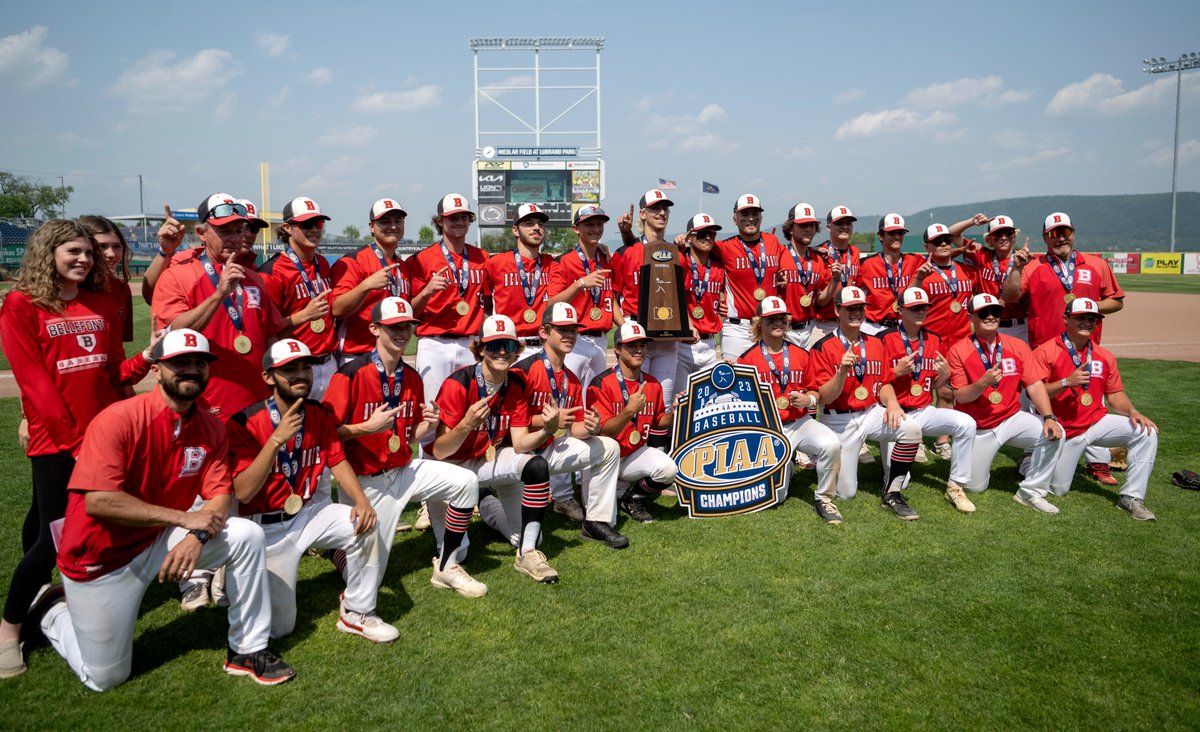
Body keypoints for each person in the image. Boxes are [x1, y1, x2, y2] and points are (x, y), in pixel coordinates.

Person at [39, 329, 294, 690]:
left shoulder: (209, 426)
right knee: (104, 678)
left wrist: (197, 535)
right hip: (100, 557)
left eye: (200, 363)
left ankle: (247, 650)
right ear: (156, 370)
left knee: (246, 535)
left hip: (158, 540)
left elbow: (221, 495)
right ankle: (52, 611)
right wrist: (184, 519)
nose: (191, 369)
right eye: (180, 362)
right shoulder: (118, 418)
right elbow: (99, 501)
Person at [0, 220, 154, 680]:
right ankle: (9, 632)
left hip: (102, 437)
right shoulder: (21, 305)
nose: (85, 259)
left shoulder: (101, 301)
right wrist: (75, 444)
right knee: (54, 541)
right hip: (58, 443)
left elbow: (112, 372)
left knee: (83, 528)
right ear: (49, 251)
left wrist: (149, 357)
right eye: (74, 251)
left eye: (88, 252)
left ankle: (66, 597)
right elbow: (35, 385)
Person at [227, 339, 394, 642]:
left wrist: (361, 501)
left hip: (306, 513)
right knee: (280, 629)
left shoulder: (317, 412)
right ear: (268, 377)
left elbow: (338, 459)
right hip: (265, 529)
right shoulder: (244, 422)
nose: (301, 374)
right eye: (289, 369)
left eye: (305, 367)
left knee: (366, 523)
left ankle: (357, 612)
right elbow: (243, 493)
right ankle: (236, 577)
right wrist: (276, 441)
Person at [322, 297, 484, 596]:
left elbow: (409, 436)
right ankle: (339, 551)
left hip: (403, 470)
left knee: (465, 482)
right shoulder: (350, 374)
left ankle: (446, 565)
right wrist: (365, 428)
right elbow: (323, 435)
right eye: (395, 326)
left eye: (408, 326)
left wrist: (429, 426)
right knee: (369, 580)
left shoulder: (410, 377)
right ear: (374, 329)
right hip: (365, 482)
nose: (403, 332)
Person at [432, 315, 562, 584]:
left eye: (509, 345)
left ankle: (526, 552)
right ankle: (481, 502)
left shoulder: (516, 382)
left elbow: (519, 443)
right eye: (494, 345)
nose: (502, 351)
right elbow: (439, 451)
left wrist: (547, 430)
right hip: (449, 468)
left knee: (536, 472)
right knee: (460, 553)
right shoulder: (458, 383)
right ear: (480, 349)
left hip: (486, 457)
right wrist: (466, 424)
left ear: (517, 350)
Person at [1003, 212, 1125, 485]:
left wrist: (1086, 307)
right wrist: (1016, 268)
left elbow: (1116, 301)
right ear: (1045, 237)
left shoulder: (1095, 264)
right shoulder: (1033, 266)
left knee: (1093, 403)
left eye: (1065, 232)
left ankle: (1099, 463)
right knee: (1038, 404)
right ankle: (1030, 454)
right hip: (1045, 350)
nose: (1061, 237)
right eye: (1054, 233)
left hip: (1085, 349)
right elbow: (1010, 296)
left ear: (1073, 233)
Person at [150, 192, 289, 420]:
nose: (235, 238)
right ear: (201, 234)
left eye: (238, 231)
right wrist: (220, 293)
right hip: (205, 406)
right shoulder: (176, 277)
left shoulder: (254, 279)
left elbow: (271, 337)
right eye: (224, 231)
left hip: (258, 404)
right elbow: (174, 334)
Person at [506, 302, 628, 549]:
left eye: (573, 329)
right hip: (516, 453)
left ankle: (596, 522)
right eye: (563, 329)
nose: (570, 335)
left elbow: (574, 427)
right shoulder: (522, 371)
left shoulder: (570, 379)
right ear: (544, 332)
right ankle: (488, 506)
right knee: (523, 537)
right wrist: (546, 421)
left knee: (608, 447)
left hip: (548, 449)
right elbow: (507, 421)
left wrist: (591, 427)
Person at [1026, 298, 1159, 519]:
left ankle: (1131, 498)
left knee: (1147, 432)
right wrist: (1066, 382)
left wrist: (1133, 411)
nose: (1087, 322)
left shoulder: (1104, 356)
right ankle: (1031, 461)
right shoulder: (1046, 351)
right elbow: (1035, 393)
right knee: (1058, 490)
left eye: (1092, 319)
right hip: (1064, 431)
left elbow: (1115, 395)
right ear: (1066, 319)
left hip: (1095, 423)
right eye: (1081, 318)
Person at [810, 287, 924, 519]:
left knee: (912, 429)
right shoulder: (822, 347)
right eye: (850, 308)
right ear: (837, 310)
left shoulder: (875, 343)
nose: (856, 313)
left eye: (860, 308)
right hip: (839, 418)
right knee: (846, 492)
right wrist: (842, 371)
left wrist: (892, 403)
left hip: (871, 412)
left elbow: (884, 383)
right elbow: (826, 397)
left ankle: (892, 492)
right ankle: (829, 463)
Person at [946, 294, 1064, 510]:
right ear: (971, 317)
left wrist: (1049, 417)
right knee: (975, 487)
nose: (991, 317)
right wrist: (983, 383)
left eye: (996, 312)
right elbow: (960, 396)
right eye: (984, 313)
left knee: (1055, 432)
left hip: (1011, 418)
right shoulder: (958, 350)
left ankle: (1030, 492)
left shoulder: (1017, 346)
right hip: (979, 427)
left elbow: (1035, 385)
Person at [735, 297, 842, 523]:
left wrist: (808, 400)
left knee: (831, 444)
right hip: (769, 429)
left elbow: (816, 393)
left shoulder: (802, 354)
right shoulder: (746, 360)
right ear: (759, 324)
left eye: (782, 320)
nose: (778, 324)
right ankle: (789, 468)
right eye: (771, 320)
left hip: (800, 422)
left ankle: (824, 498)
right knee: (777, 497)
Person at [876, 288, 977, 512]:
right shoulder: (883, 338)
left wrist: (945, 375)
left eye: (924, 307)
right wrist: (896, 371)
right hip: (895, 413)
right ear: (900, 310)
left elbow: (934, 385)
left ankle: (956, 486)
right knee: (901, 481)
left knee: (966, 423)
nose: (921, 311)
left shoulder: (934, 338)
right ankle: (891, 486)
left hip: (923, 409)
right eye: (915, 308)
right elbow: (875, 383)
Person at [586, 322, 678, 524]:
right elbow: (603, 432)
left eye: (642, 345)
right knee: (597, 513)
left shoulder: (652, 383)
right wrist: (629, 410)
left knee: (668, 469)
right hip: (603, 457)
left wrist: (677, 412)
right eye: (632, 345)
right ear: (617, 349)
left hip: (632, 453)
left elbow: (658, 421)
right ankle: (611, 489)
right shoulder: (601, 383)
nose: (638, 350)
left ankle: (632, 498)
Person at [409, 193, 490, 405]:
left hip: (471, 344)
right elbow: (412, 313)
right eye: (453, 217)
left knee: (470, 407)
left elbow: (491, 303)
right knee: (431, 409)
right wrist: (426, 292)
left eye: (464, 217)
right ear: (440, 221)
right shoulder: (421, 260)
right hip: (434, 343)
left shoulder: (483, 257)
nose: (459, 222)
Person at [609, 189, 685, 405]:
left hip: (668, 338)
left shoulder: (676, 252)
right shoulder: (625, 253)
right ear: (643, 214)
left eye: (665, 208)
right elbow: (611, 298)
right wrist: (626, 329)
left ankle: (658, 440)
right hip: (636, 334)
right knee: (636, 401)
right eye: (655, 208)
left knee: (664, 404)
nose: (661, 213)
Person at [258, 197, 336, 399]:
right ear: (287, 228)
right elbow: (267, 333)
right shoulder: (272, 272)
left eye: (318, 223)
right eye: (306, 224)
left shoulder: (323, 264)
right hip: (296, 368)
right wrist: (305, 316)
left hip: (329, 362)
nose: (314, 229)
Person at [547, 204, 621, 394]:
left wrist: (624, 327)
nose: (595, 229)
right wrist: (579, 284)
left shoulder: (606, 259)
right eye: (589, 224)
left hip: (602, 340)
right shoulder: (563, 261)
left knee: (596, 398)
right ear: (576, 229)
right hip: (574, 339)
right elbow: (551, 303)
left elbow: (610, 298)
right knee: (569, 396)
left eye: (599, 224)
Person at [711, 194, 794, 359]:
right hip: (737, 329)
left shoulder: (772, 242)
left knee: (767, 381)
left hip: (768, 325)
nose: (750, 218)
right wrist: (683, 241)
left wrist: (817, 250)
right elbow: (698, 252)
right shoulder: (724, 247)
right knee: (736, 380)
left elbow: (795, 253)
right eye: (745, 214)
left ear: (761, 217)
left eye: (755, 214)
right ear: (735, 219)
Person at [329, 198, 411, 363]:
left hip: (393, 356)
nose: (393, 226)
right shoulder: (353, 261)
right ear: (371, 227)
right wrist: (365, 286)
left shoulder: (403, 266)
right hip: (357, 356)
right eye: (385, 221)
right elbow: (337, 309)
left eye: (398, 221)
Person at [485, 203, 555, 361]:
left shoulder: (552, 263)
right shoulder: (496, 263)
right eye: (529, 224)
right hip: (509, 347)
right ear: (515, 230)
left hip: (544, 346)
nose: (536, 227)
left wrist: (599, 247)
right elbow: (487, 302)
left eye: (540, 224)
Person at [675, 213, 726, 390]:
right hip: (683, 344)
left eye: (711, 234)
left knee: (706, 402)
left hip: (710, 344)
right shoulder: (681, 262)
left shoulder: (719, 266)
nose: (707, 237)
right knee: (680, 402)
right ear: (690, 236)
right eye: (702, 233)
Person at [776, 203, 832, 349]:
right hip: (782, 330)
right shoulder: (778, 255)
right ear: (790, 228)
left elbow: (821, 301)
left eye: (812, 225)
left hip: (809, 331)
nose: (808, 229)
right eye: (802, 225)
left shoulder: (819, 259)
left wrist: (836, 279)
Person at [856, 214, 921, 336]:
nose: (897, 236)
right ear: (880, 236)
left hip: (902, 326)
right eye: (892, 233)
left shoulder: (914, 260)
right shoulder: (866, 264)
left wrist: (960, 251)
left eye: (900, 233)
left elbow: (941, 256)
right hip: (873, 327)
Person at [77, 215, 134, 345]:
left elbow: (119, 343)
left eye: (117, 246)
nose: (112, 254)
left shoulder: (121, 289)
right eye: (102, 246)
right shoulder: (66, 289)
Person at [807, 206, 861, 342]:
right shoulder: (819, 253)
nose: (845, 227)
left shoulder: (855, 252)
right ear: (829, 227)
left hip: (851, 323)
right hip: (824, 325)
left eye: (848, 223)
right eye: (839, 223)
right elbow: (820, 301)